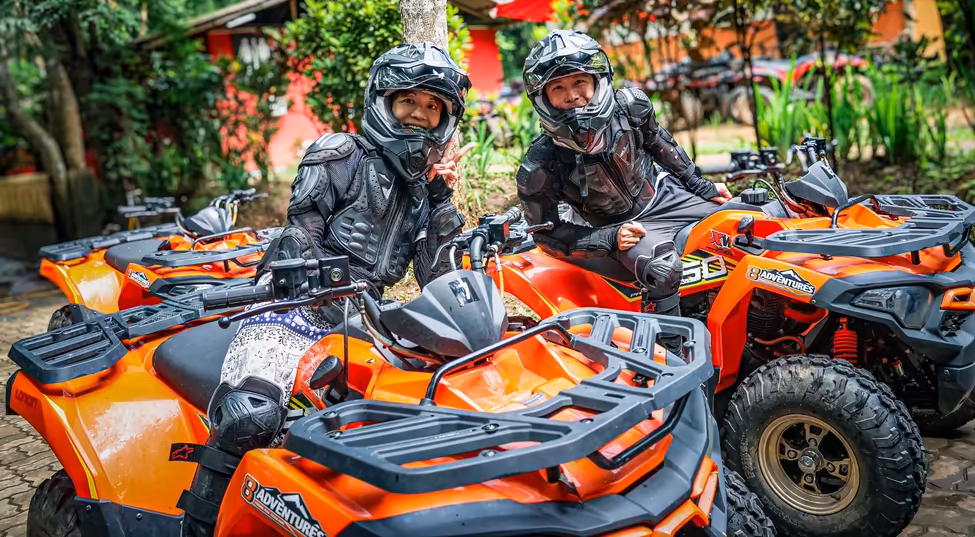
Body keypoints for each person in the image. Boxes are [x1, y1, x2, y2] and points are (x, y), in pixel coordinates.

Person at [179, 42, 473, 537]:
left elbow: (435, 277)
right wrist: (317, 283)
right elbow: (301, 232)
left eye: (432, 106)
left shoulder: (423, 187)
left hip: (367, 314)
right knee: (248, 416)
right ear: (384, 101)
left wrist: (440, 199)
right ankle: (198, 526)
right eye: (408, 100)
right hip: (291, 306)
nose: (420, 115)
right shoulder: (340, 153)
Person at [516, 30, 732, 317]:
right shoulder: (540, 164)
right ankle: (671, 342)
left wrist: (702, 186)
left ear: (598, 80)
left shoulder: (631, 107)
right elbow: (546, 234)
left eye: (579, 81)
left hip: (668, 198)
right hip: (621, 227)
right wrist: (608, 237)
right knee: (662, 269)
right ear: (542, 98)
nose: (572, 95)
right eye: (558, 87)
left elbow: (660, 144)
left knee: (745, 222)